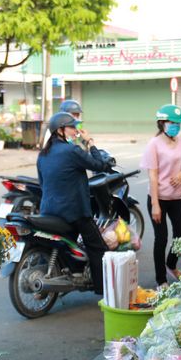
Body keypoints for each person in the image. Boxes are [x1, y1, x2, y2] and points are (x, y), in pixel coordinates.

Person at [37, 111, 113, 293]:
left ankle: (71, 276)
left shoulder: (43, 154)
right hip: (74, 212)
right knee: (98, 248)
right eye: (73, 128)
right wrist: (90, 142)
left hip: (49, 211)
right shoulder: (71, 150)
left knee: (67, 245)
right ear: (61, 130)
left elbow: (42, 183)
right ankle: (103, 292)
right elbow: (99, 165)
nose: (76, 132)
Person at [140, 104, 181, 288]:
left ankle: (171, 264)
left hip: (178, 197)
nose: (176, 126)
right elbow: (152, 176)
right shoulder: (153, 145)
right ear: (162, 123)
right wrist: (155, 204)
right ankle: (161, 279)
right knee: (161, 238)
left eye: (178, 124)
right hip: (159, 198)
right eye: (173, 123)